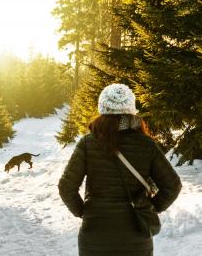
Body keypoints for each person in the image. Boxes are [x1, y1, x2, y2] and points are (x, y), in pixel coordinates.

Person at [58, 84, 182, 256]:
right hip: (136, 238)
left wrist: (84, 212)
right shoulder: (146, 144)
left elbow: (66, 186)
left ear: (103, 109)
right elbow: (172, 186)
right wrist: (150, 208)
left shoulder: (87, 143)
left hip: (95, 237)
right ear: (131, 111)